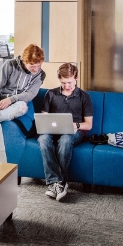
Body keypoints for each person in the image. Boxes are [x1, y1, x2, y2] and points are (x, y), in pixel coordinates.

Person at [38, 63, 93, 201]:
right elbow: (43, 117)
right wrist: (46, 123)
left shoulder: (84, 97)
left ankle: (56, 184)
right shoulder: (50, 94)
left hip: (74, 131)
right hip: (52, 129)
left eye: (69, 82)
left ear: (76, 78)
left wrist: (75, 125)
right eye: (63, 83)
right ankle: (58, 183)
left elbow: (89, 125)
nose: (66, 86)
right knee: (43, 139)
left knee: (65, 140)